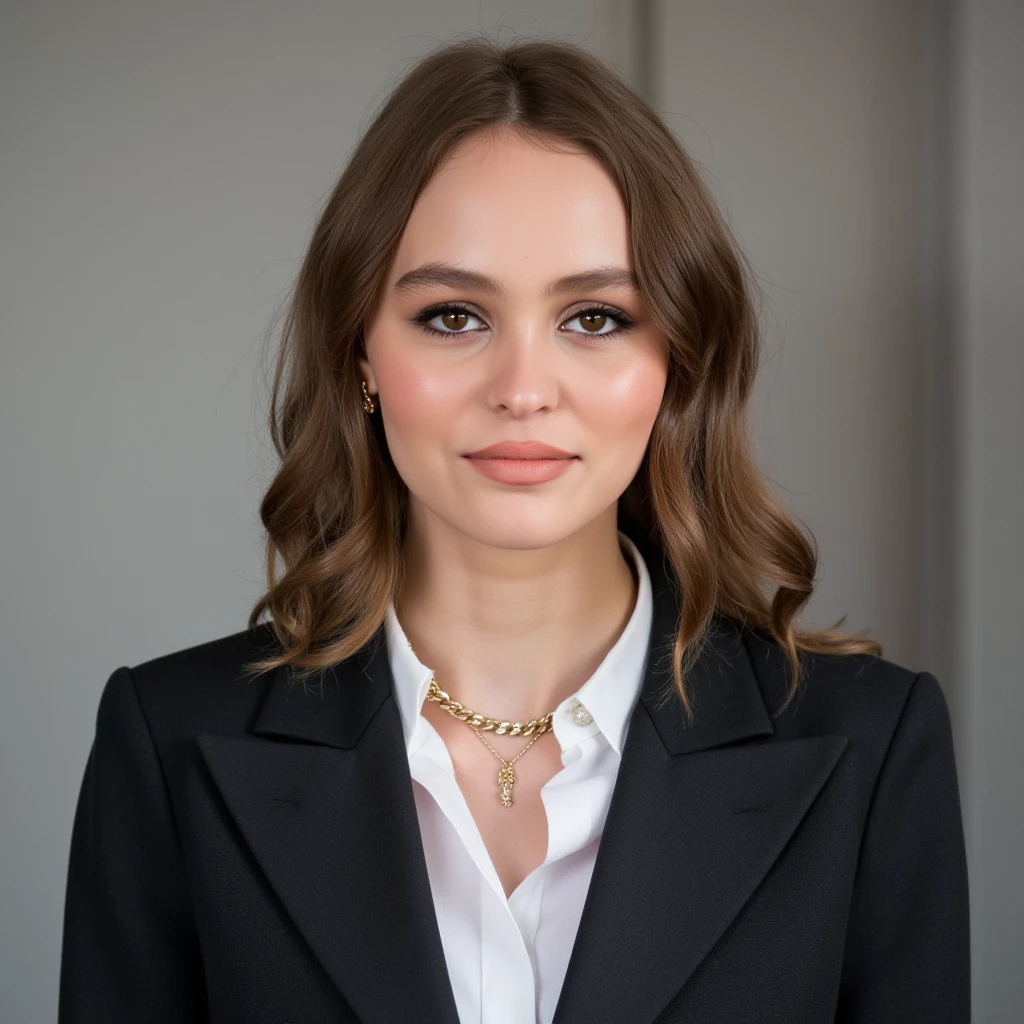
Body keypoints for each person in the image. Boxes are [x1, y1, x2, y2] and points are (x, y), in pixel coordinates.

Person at [57, 35, 970, 1024]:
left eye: (594, 318)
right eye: (453, 316)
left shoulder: (872, 746)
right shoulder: (169, 741)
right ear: (359, 351)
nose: (523, 390)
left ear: (678, 357)